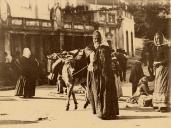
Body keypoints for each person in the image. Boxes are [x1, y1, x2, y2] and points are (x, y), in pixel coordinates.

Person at [86, 30, 119, 120]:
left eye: (97, 38)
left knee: (105, 92)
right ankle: (102, 112)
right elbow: (87, 51)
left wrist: (94, 65)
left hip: (104, 74)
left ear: (101, 39)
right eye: (94, 38)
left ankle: (106, 113)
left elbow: (103, 63)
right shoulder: (94, 48)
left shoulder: (104, 49)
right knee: (99, 92)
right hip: (100, 74)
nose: (96, 40)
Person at [152, 32, 169, 112]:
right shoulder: (155, 48)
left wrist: (159, 63)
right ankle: (158, 104)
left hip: (164, 68)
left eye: (159, 38)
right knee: (157, 86)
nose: (157, 40)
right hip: (157, 69)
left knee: (163, 86)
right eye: (156, 38)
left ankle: (163, 106)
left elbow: (168, 59)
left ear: (162, 38)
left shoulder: (165, 47)